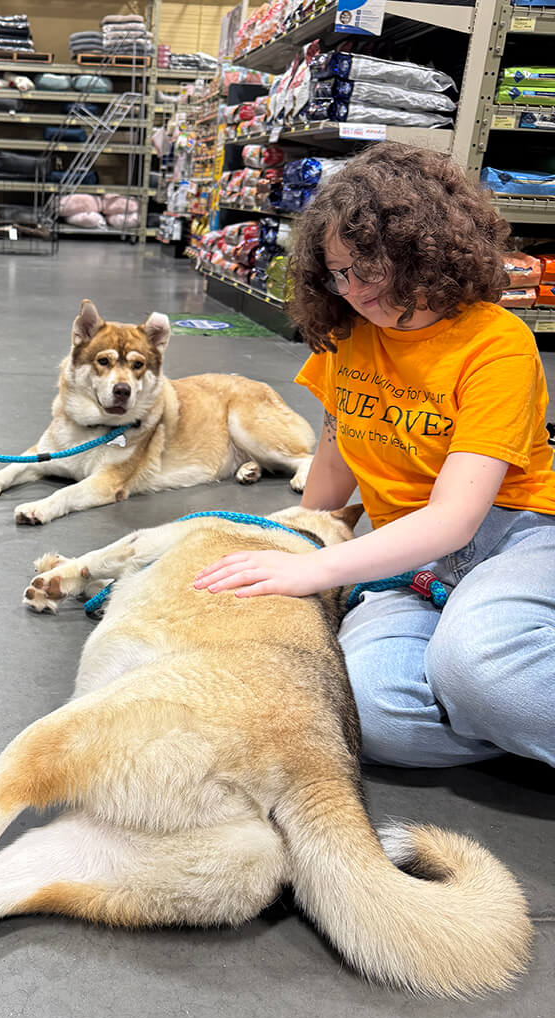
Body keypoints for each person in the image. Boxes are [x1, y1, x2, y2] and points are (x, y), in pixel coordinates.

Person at [193, 143, 555, 769]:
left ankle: (485, 685)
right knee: (370, 714)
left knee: (475, 665)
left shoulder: (497, 342)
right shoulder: (348, 334)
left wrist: (315, 573)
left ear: (428, 255)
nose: (353, 291)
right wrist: (296, 540)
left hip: (513, 532)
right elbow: (335, 456)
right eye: (338, 272)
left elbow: (455, 519)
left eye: (372, 270)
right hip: (403, 558)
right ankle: (501, 709)